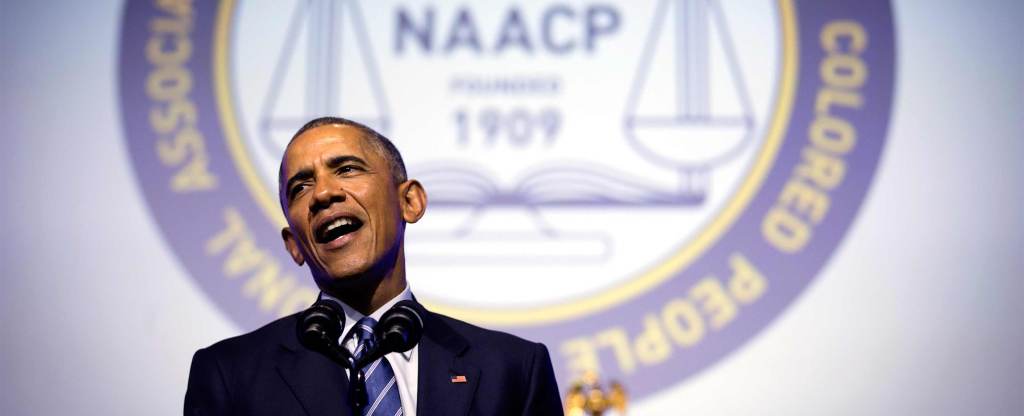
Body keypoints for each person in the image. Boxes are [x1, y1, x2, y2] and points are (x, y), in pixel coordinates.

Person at [184, 117, 564, 415]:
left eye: (347, 169)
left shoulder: (513, 370)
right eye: (300, 187)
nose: (323, 194)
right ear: (293, 245)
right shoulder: (229, 374)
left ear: (410, 202)